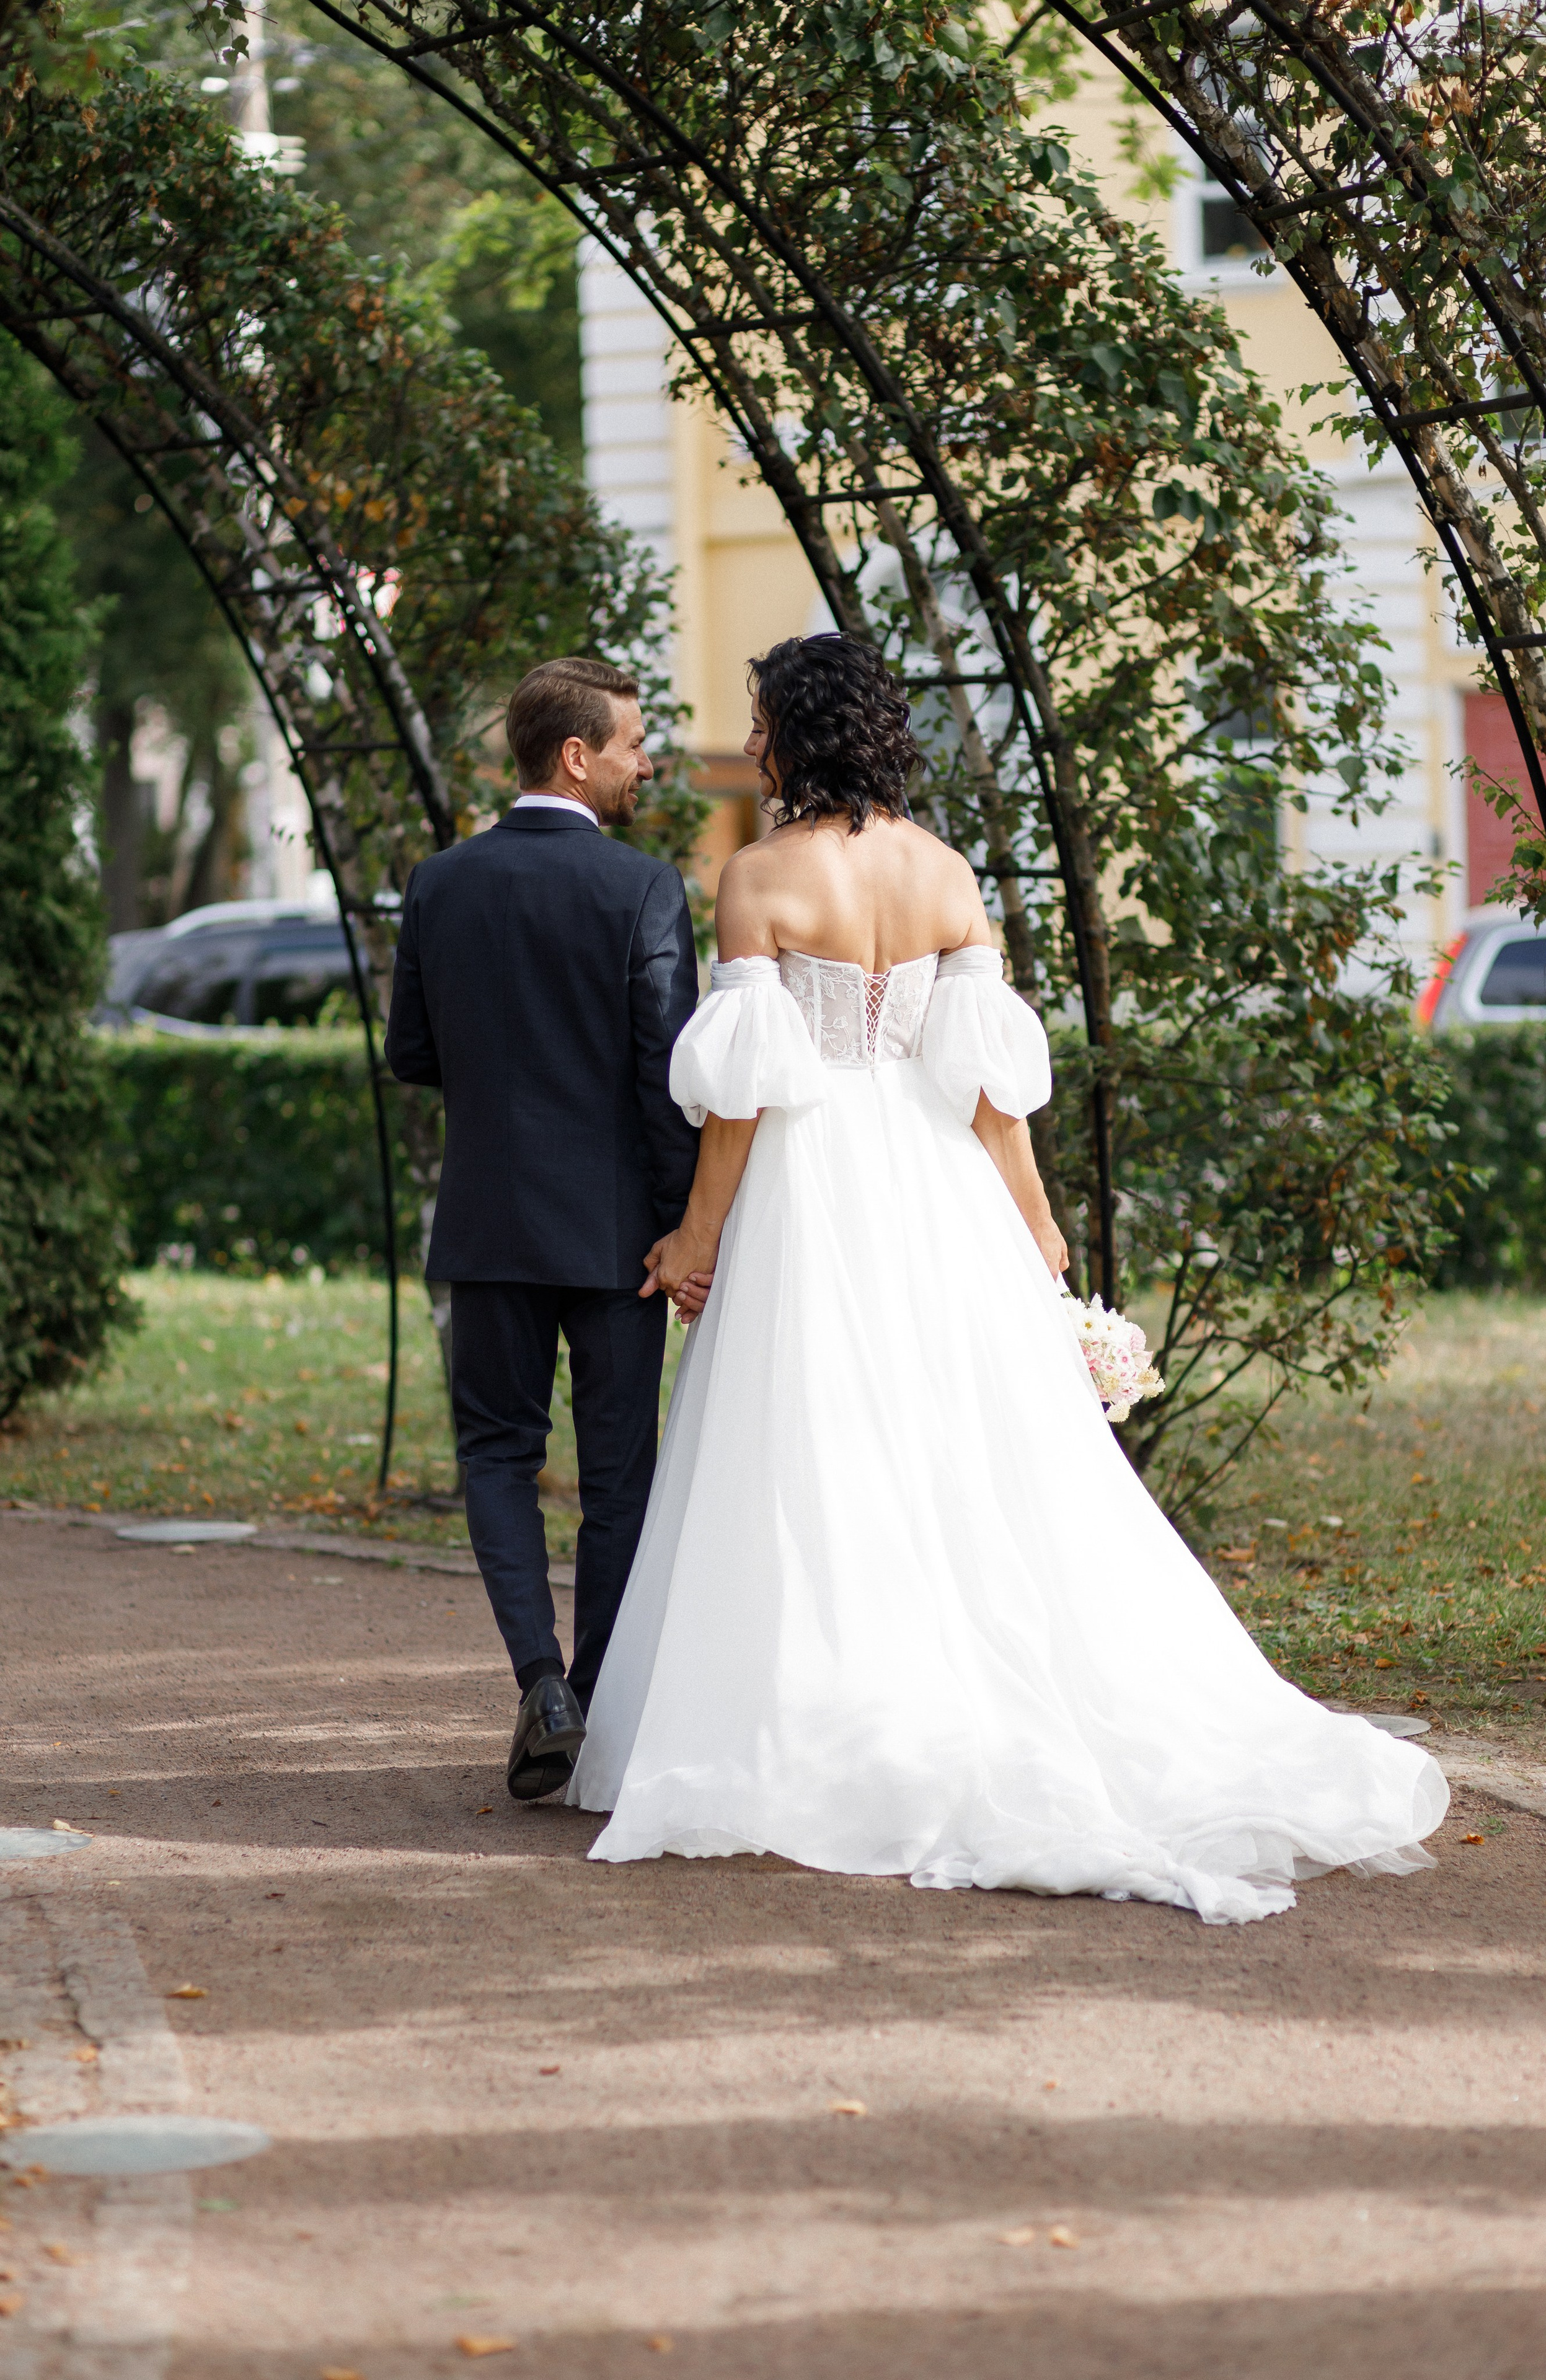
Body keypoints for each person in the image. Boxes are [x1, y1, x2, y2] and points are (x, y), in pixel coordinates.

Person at [567, 633, 1449, 1924]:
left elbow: (745, 1099)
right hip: (936, 1187)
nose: (748, 740)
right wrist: (1032, 1224)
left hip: (817, 1184)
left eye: (760, 720)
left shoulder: (757, 876)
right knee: (959, 1444)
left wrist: (697, 1237)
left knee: (813, 1446)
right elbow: (984, 1084)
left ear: (798, 734)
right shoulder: (945, 872)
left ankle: (826, 1717)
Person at [386, 656, 704, 1804]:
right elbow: (670, 1082)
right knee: (620, 1479)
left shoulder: (439, 883)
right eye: (630, 743)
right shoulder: (643, 891)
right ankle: (591, 1690)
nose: (642, 761)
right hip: (616, 1240)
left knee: (495, 1460)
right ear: (576, 755)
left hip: (486, 1227)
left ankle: (539, 1686)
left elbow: (411, 1055)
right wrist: (682, 1231)